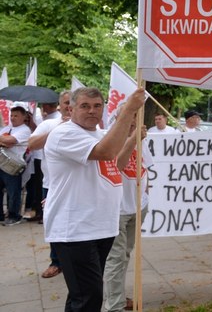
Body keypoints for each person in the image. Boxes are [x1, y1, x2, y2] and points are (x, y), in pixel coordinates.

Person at [43, 87, 145, 311]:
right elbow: (106, 153)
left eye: (97, 106)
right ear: (71, 109)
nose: (92, 111)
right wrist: (128, 110)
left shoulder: (99, 135)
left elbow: (114, 164)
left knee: (83, 294)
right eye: (85, 106)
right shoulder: (65, 133)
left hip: (100, 227)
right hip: (76, 230)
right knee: (89, 297)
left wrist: (132, 138)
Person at [103, 119, 149, 312]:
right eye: (130, 118)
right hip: (118, 210)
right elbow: (117, 165)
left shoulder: (142, 140)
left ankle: (117, 296)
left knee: (125, 254)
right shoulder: (110, 139)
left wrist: (146, 196)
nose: (134, 123)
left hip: (137, 207)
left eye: (137, 119)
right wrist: (133, 139)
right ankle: (114, 305)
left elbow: (147, 168)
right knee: (115, 258)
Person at [28, 91, 71, 278]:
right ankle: (56, 261)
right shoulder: (49, 124)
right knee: (54, 223)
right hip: (51, 184)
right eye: (66, 103)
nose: (69, 106)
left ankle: (74, 261)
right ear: (59, 105)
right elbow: (33, 144)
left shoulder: (87, 125)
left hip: (76, 186)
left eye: (73, 102)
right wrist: (56, 130)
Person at [0, 105, 32, 226]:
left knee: (13, 191)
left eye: (16, 115)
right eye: (11, 115)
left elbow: (11, 141)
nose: (13, 118)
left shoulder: (25, 130)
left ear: (23, 117)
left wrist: (5, 141)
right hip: (2, 162)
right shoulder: (6, 129)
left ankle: (14, 215)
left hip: (13, 164)